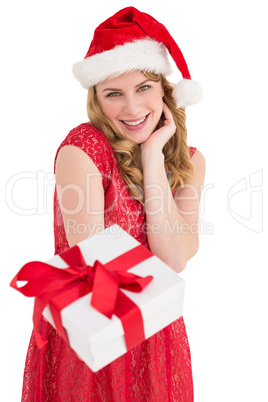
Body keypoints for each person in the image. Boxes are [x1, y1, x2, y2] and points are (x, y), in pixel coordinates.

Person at [21, 7, 205, 401]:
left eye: (143, 88)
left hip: (157, 338)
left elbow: (173, 258)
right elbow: (92, 266)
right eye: (114, 94)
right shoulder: (83, 149)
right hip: (92, 336)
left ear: (164, 90)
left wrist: (154, 156)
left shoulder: (190, 160)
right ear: (96, 100)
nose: (133, 109)